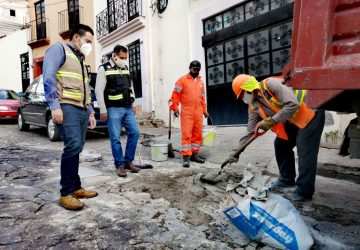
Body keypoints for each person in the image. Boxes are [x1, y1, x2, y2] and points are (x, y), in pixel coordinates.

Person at [232, 74, 325, 201]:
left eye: (242, 95)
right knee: (281, 145)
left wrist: (271, 121)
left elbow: (293, 104)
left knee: (305, 150)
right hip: (291, 120)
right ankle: (286, 179)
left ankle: (304, 190)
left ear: (248, 89)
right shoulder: (253, 106)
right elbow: (250, 131)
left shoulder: (271, 84)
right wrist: (236, 151)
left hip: (309, 113)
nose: (243, 99)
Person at [43, 24, 98, 211]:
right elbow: (49, 77)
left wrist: (90, 111)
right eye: (87, 41)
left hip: (81, 108)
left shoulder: (80, 58)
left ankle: (75, 187)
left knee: (77, 147)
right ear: (76, 37)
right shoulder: (58, 50)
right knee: (72, 147)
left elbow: (85, 87)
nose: (89, 45)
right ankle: (66, 193)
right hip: (67, 106)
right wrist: (54, 106)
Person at [95, 45, 140, 177]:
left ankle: (128, 162)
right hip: (113, 109)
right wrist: (103, 110)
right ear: (114, 55)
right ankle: (120, 165)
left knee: (135, 133)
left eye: (125, 58)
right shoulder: (103, 69)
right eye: (121, 57)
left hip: (127, 108)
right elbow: (98, 90)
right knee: (115, 138)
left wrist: (133, 103)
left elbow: (130, 87)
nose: (124, 60)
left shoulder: (125, 68)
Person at [170, 60, 209, 168]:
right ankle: (186, 158)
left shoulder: (201, 83)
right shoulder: (182, 80)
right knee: (187, 134)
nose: (196, 71)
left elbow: (202, 98)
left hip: (199, 111)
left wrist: (205, 110)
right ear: (190, 68)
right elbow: (175, 95)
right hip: (187, 111)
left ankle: (194, 155)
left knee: (197, 134)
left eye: (197, 70)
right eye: (194, 69)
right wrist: (175, 107)